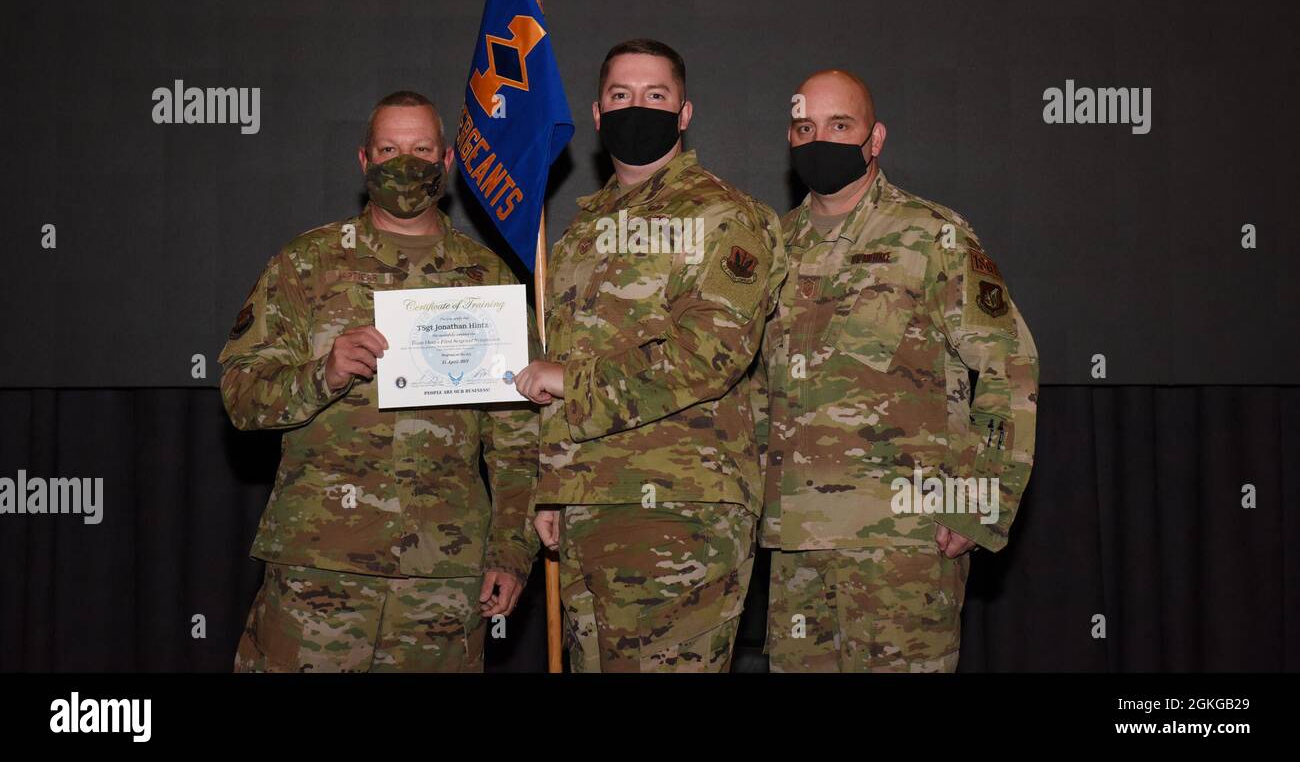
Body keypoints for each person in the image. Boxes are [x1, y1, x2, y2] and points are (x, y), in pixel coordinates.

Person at [219, 90, 539, 672]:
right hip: (320, 565)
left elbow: (519, 444)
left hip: (443, 578)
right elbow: (242, 398)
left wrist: (512, 552)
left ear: (447, 163)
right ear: (364, 162)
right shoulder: (306, 264)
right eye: (389, 150)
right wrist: (324, 374)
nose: (405, 164)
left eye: (421, 149)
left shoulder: (487, 279)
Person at [513, 39, 786, 672]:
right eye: (621, 96)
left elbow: (710, 355)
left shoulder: (725, 215)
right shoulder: (583, 227)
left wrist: (570, 381)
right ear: (597, 112)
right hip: (588, 502)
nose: (638, 107)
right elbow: (561, 364)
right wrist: (552, 486)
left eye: (656, 95)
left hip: (680, 504)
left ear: (684, 113)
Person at [755, 69, 1039, 672]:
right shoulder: (773, 248)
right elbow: (756, 392)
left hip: (903, 543)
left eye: (840, 125)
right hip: (796, 544)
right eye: (806, 128)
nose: (820, 140)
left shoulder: (931, 236)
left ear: (875, 138)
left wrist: (980, 501)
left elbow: (1009, 366)